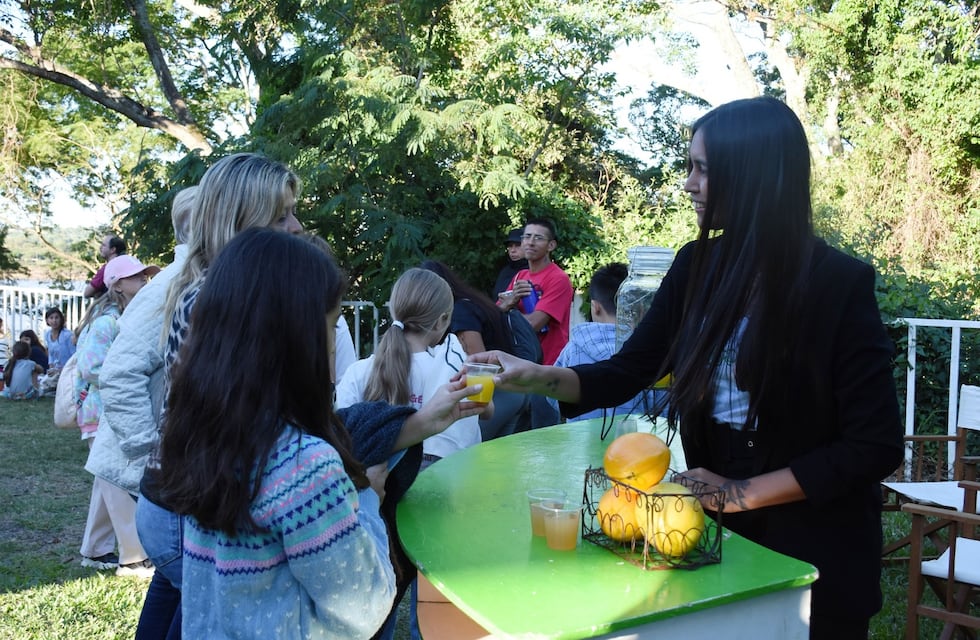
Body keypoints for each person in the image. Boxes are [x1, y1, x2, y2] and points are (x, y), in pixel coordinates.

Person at [470, 97, 904, 639]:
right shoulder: (696, 266)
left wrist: (737, 493)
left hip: (815, 548)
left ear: (753, 178)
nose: (688, 184)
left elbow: (875, 444)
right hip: (710, 532)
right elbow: (628, 371)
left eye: (702, 169)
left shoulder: (837, 285)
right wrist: (527, 373)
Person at [156, 228, 397, 639]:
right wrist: (367, 498)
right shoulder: (306, 466)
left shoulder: (201, 435)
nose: (334, 343)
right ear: (295, 338)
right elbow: (364, 607)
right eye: (332, 325)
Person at [88, 186, 196, 640]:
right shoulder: (177, 282)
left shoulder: (187, 277)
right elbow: (117, 373)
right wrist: (154, 449)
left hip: (170, 468)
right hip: (166, 468)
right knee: (187, 583)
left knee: (174, 586)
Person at [76, 254, 159, 579]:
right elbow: (90, 366)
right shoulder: (108, 321)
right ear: (118, 284)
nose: (144, 281)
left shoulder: (125, 317)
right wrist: (125, 371)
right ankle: (132, 558)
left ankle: (94, 549)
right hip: (102, 410)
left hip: (109, 409)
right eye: (137, 277)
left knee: (104, 481)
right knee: (117, 481)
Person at [420, 259, 530, 439]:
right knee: (496, 458)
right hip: (515, 391)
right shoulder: (474, 303)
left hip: (498, 395)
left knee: (473, 452)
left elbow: (478, 362)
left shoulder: (461, 310)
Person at [547, 262, 662, 423]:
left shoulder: (573, 349)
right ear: (640, 308)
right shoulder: (650, 352)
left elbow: (555, 397)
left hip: (582, 441)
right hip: (637, 443)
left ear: (595, 307)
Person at [497, 218, 573, 427]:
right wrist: (509, 303)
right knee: (517, 435)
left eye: (538, 238)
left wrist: (508, 309)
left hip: (546, 369)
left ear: (551, 245)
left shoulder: (558, 279)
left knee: (544, 436)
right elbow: (496, 315)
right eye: (526, 237)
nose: (529, 242)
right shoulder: (520, 275)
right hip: (520, 367)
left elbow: (533, 325)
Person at [491, 228, 528, 300]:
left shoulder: (533, 270)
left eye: (518, 245)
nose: (513, 250)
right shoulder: (505, 271)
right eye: (510, 246)